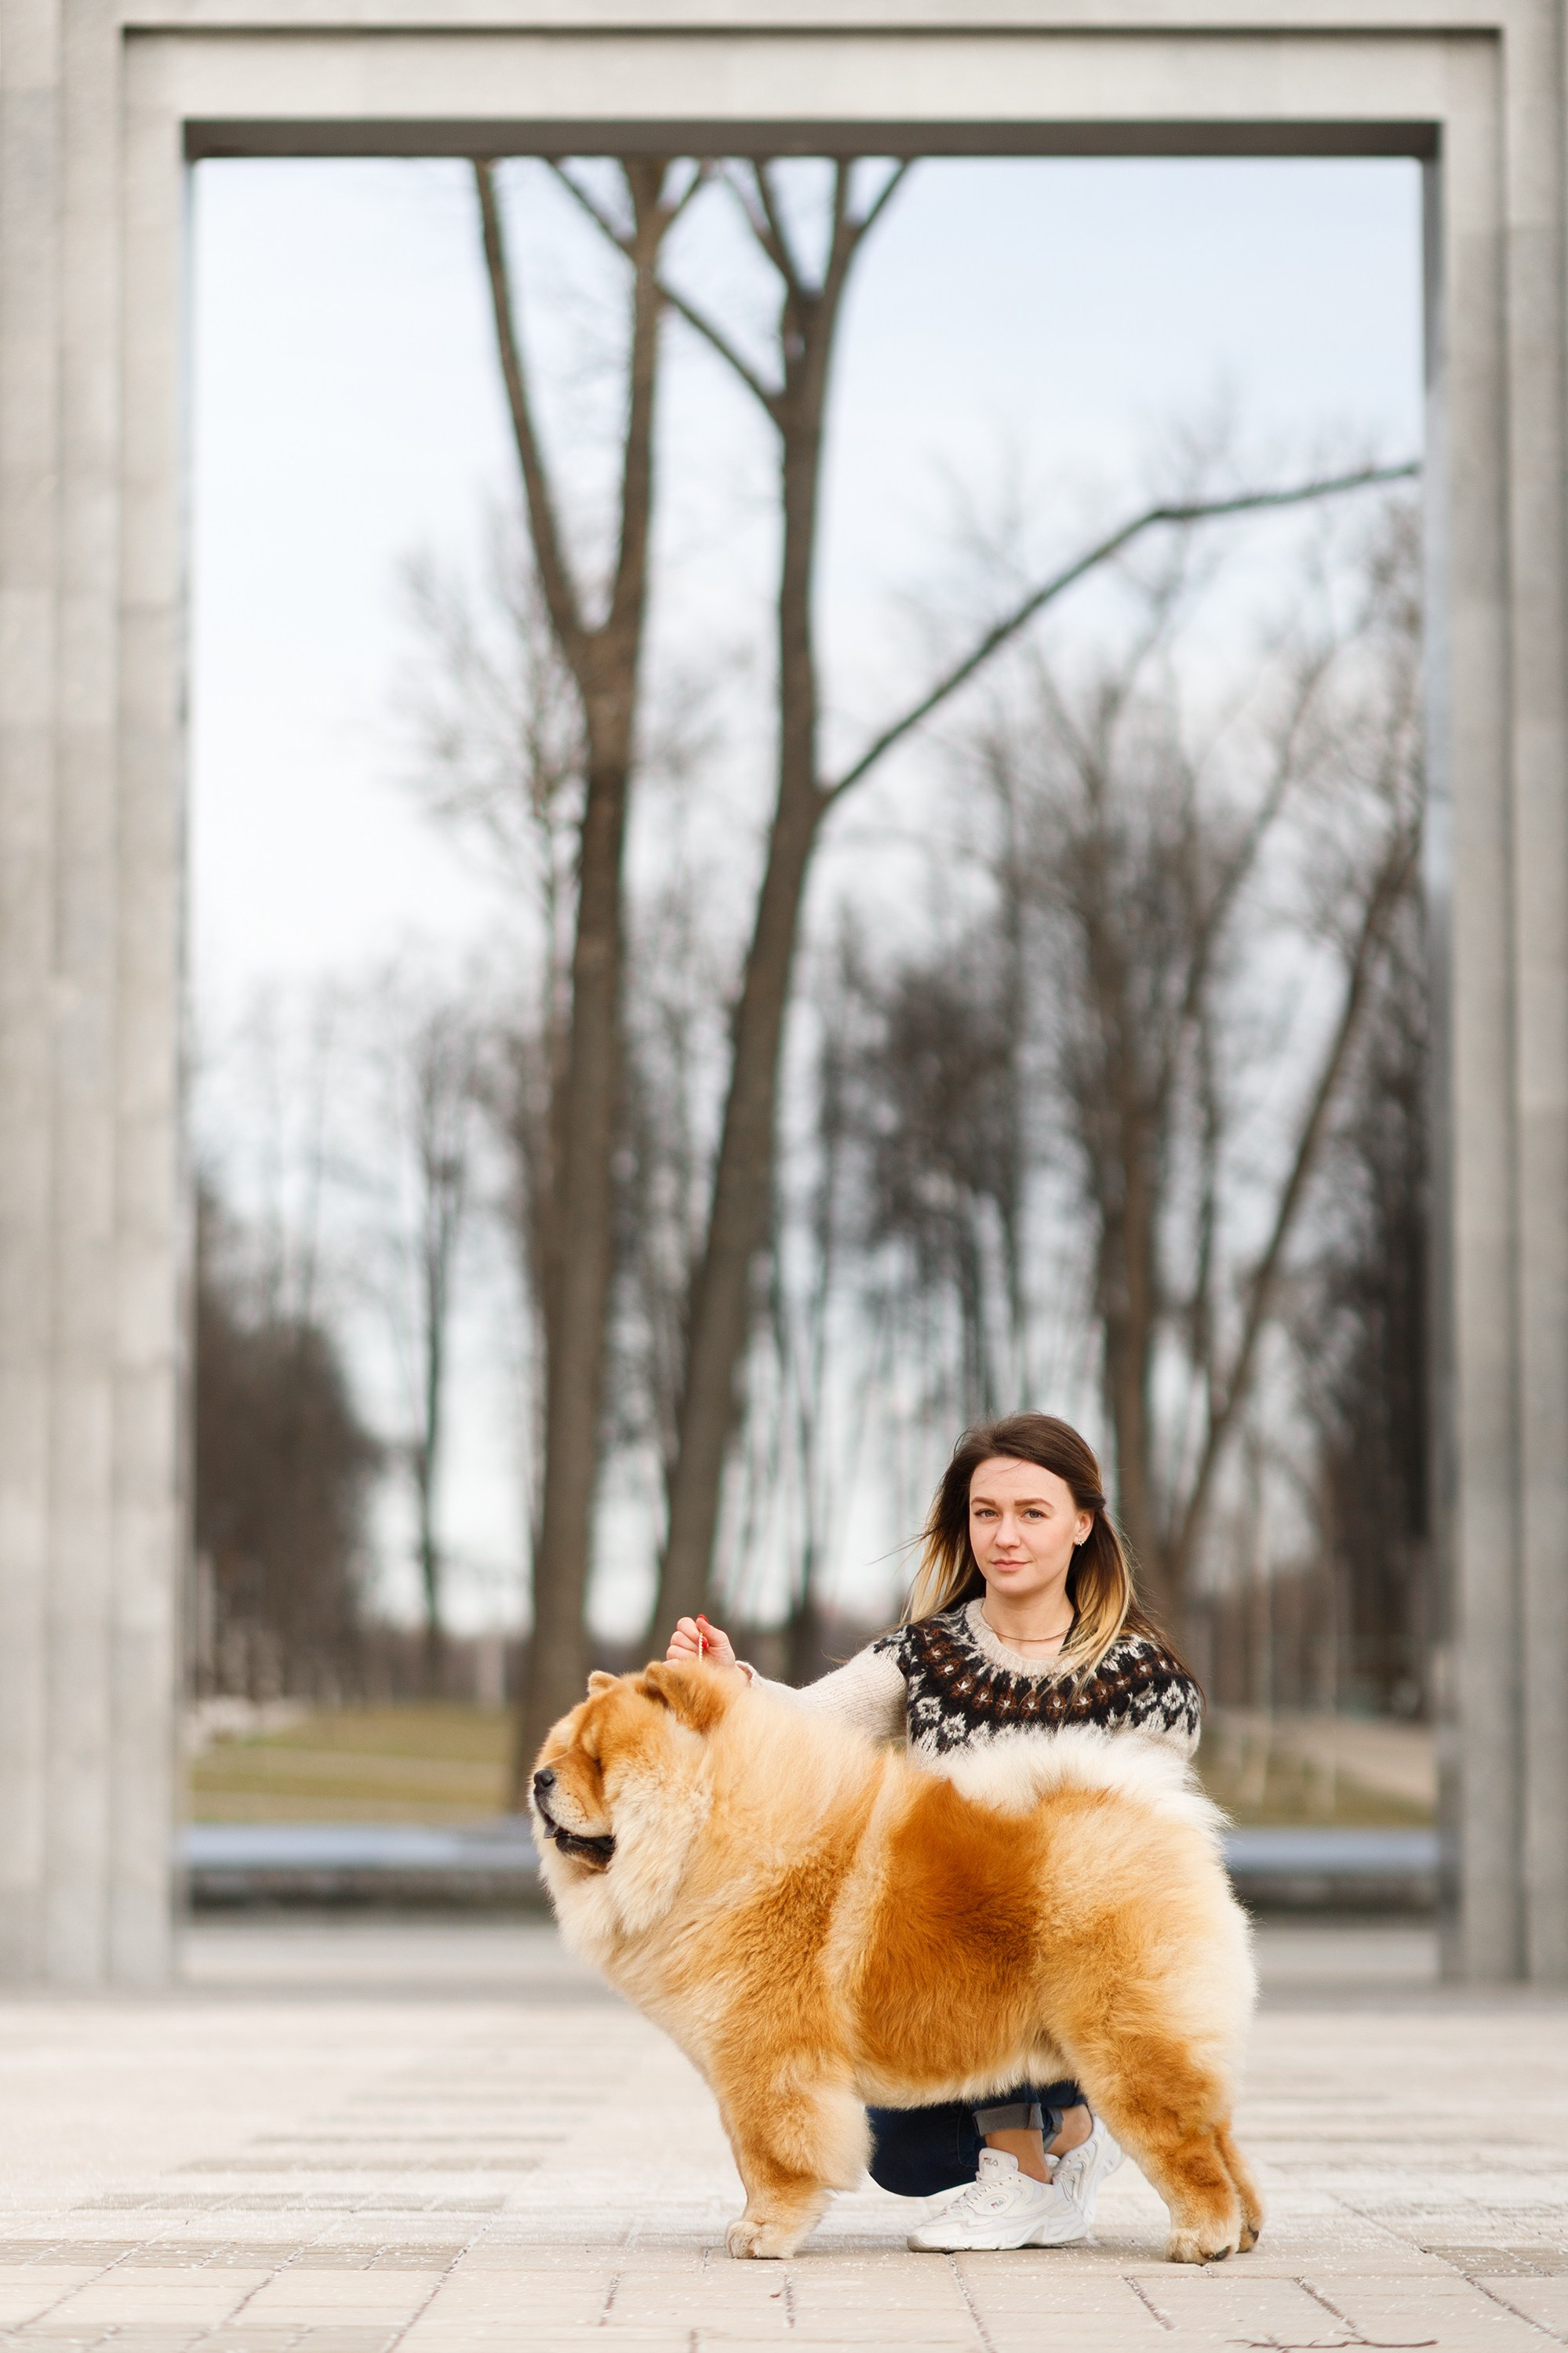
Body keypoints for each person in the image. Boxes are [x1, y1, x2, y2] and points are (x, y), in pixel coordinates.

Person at [664, 1409, 1204, 2254]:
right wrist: (730, 1683)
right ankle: (1066, 2141)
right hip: (951, 1962)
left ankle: (1026, 2170)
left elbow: (1149, 1857)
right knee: (899, 2149)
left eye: (1031, 1512)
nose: (1005, 1535)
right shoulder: (921, 1657)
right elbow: (807, 1723)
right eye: (985, 1513)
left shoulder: (1145, 1678)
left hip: (1089, 1959)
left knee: (1044, 1944)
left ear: (1082, 1523)